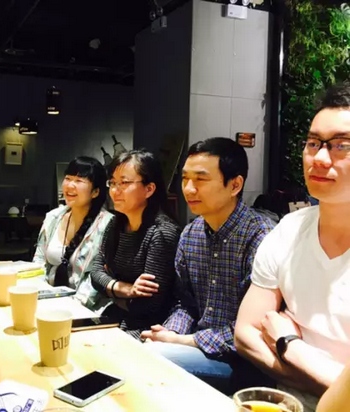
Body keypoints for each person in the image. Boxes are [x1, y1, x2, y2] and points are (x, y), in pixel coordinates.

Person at [234, 81, 350, 411]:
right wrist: (323, 382)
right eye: (313, 143)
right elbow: (245, 333)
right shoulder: (290, 229)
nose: (319, 158)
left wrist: (290, 345)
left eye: (341, 145)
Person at [141, 138, 275, 394]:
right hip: (197, 348)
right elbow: (185, 303)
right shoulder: (191, 234)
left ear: (235, 185)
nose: (189, 189)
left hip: (245, 361)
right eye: (185, 179)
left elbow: (256, 329)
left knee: (153, 361)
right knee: (146, 349)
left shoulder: (261, 237)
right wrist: (169, 332)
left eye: (201, 180)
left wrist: (183, 341)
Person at [89, 149, 180, 339]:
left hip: (147, 329)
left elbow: (148, 306)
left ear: (149, 189)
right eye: (113, 183)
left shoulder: (161, 233)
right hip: (115, 318)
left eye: (124, 183)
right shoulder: (116, 224)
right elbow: (95, 273)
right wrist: (127, 289)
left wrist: (110, 291)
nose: (115, 190)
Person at [33, 156, 113, 312]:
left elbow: (96, 278)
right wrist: (41, 294)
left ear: (95, 192)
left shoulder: (107, 225)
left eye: (79, 181)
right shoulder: (53, 217)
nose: (70, 185)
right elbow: (39, 261)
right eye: (68, 178)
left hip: (86, 309)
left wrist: (70, 308)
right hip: (47, 302)